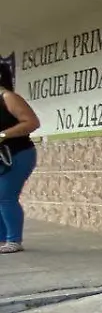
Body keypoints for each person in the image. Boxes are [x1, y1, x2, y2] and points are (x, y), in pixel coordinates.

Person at [0, 61, 40, 254]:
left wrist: (2, 135)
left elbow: (32, 122)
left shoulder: (8, 97)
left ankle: (14, 240)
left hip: (18, 153)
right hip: (2, 157)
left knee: (6, 196)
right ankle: (2, 239)